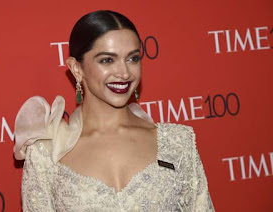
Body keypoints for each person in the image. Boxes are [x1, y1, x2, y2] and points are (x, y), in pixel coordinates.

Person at [13, 10, 215, 211]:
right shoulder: (45, 154)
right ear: (76, 68)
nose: (124, 73)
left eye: (132, 59)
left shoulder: (178, 143)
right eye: (107, 60)